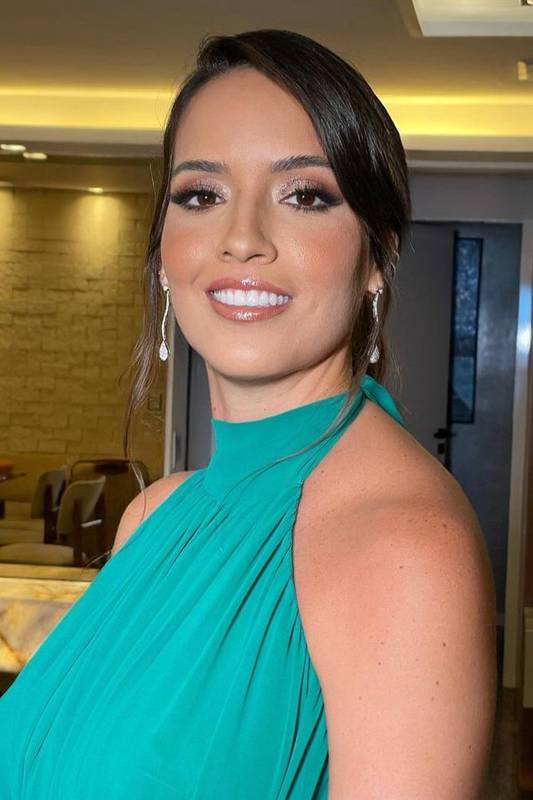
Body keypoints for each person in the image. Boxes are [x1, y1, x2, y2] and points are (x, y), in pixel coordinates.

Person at [0, 28, 496, 799]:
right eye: (202, 195)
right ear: (164, 251)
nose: (241, 239)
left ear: (376, 257)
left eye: (303, 195)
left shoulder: (402, 548)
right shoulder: (152, 516)